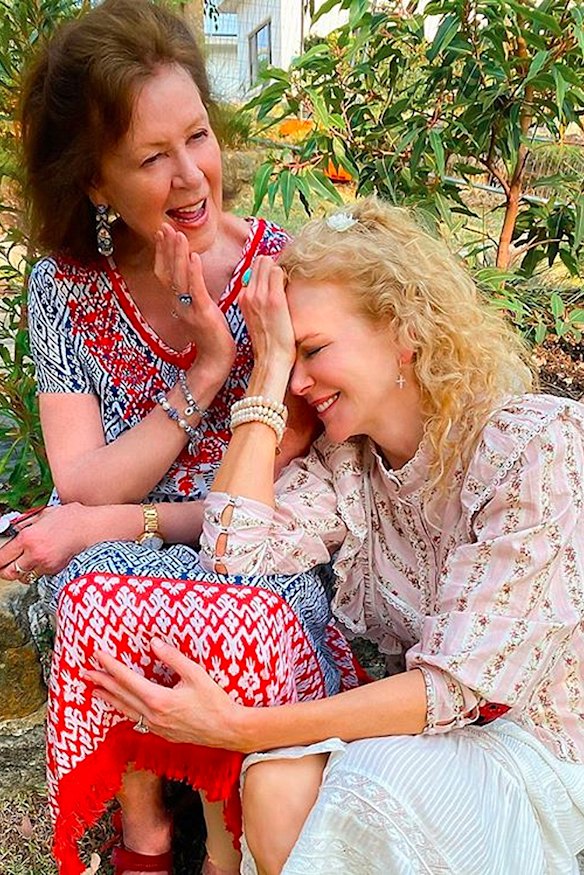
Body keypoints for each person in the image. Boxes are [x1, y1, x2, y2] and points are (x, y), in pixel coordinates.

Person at [88, 197, 584, 874]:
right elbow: (232, 555)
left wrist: (237, 726)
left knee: (368, 776)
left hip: (544, 753)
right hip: (444, 742)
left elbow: (457, 689)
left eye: (312, 349)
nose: (300, 380)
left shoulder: (532, 444)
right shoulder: (350, 470)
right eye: (290, 355)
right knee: (274, 780)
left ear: (403, 330)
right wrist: (263, 373)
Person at [0, 2, 361, 873]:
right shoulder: (64, 289)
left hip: (255, 545)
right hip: (115, 549)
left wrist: (110, 522)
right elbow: (82, 483)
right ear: (94, 182)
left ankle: (225, 839)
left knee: (206, 584)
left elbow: (266, 509)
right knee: (89, 581)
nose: (193, 175)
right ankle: (147, 833)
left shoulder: (283, 271)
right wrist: (207, 368)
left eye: (197, 136)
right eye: (151, 157)